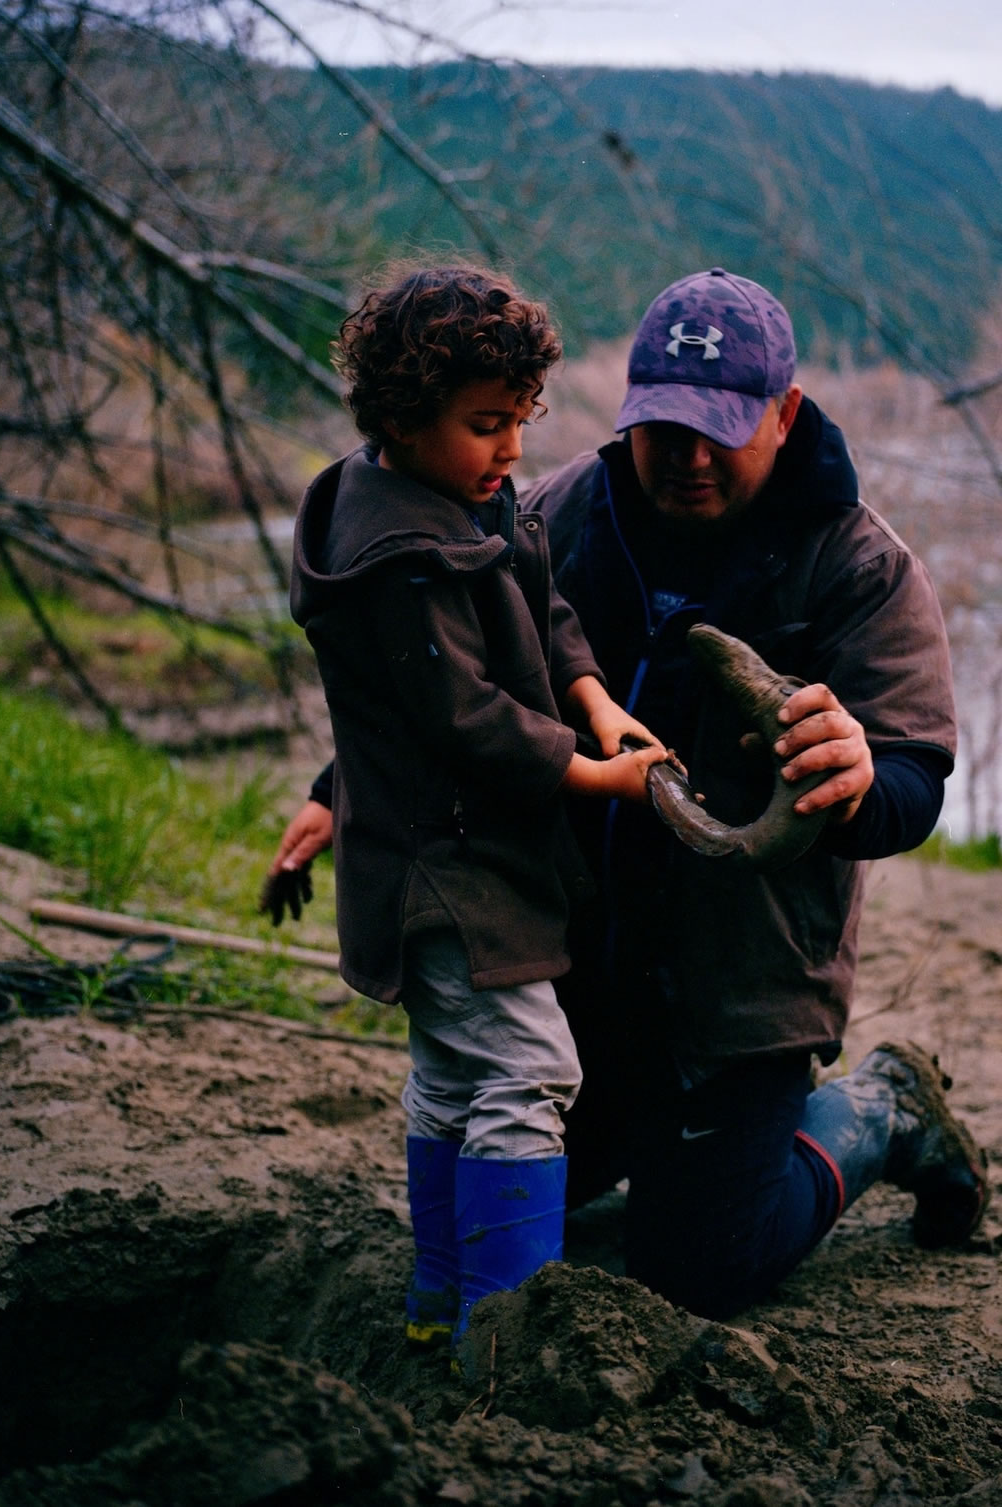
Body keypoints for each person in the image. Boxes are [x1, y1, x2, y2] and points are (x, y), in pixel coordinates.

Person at [272, 267, 988, 1321]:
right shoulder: (548, 512)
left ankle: (881, 1107)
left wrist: (860, 778)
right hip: (568, 962)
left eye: (722, 429)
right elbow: (441, 682)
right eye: (664, 427)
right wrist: (342, 790)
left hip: (734, 997)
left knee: (698, 1272)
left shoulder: (860, 567)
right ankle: (646, 1162)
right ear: (627, 412)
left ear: (784, 414)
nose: (689, 459)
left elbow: (914, 777)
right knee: (510, 1183)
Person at [285, 265, 668, 1350]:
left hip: (477, 858)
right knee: (530, 1070)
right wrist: (595, 778)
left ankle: (437, 1310)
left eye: (518, 422)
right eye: (483, 426)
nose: (508, 452)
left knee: (455, 1072)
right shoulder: (394, 559)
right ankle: (501, 1333)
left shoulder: (464, 497)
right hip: (435, 868)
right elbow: (465, 718)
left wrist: (593, 697)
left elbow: (540, 600)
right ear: (399, 420)